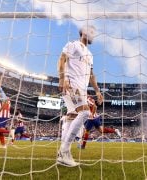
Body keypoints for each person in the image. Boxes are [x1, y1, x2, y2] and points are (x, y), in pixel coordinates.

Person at [56, 25, 103, 167]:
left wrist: (97, 91)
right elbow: (62, 59)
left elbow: (91, 75)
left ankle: (63, 154)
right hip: (71, 84)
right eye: (91, 32)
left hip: (81, 88)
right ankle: (64, 151)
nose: (93, 35)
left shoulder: (90, 54)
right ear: (83, 32)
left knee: (71, 117)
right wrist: (61, 78)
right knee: (84, 113)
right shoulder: (73, 45)